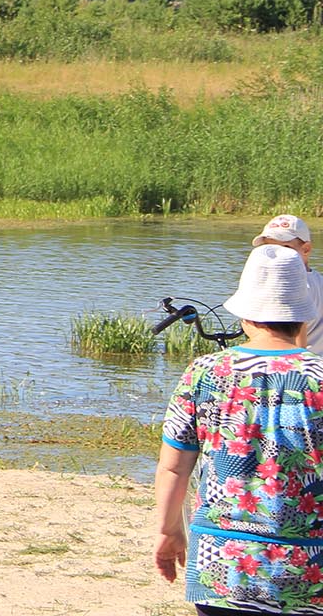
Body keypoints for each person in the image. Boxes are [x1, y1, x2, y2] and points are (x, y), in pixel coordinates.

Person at [155, 244, 323, 613]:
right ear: (304, 317)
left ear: (245, 315)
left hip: (222, 565)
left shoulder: (204, 372)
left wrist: (169, 533)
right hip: (310, 568)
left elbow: (173, 467)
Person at [253, 214, 323, 352]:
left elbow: (298, 343)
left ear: (306, 249)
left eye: (285, 247)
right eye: (269, 248)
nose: (277, 254)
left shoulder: (295, 287)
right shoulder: (318, 280)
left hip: (302, 365)